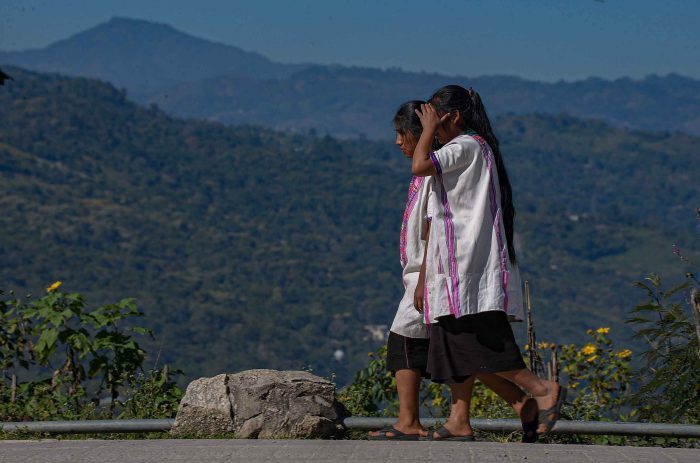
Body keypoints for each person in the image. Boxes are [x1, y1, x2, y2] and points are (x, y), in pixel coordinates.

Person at [369, 101, 539, 442]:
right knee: (456, 346)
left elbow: (435, 225)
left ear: (421, 135)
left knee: (424, 341)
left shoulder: (441, 167)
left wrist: (423, 279)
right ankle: (506, 407)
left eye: (402, 134)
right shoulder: (442, 168)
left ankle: (415, 421)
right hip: (428, 273)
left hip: (434, 274)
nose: (398, 142)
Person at [412, 85, 566, 441]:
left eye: (433, 119)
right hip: (454, 262)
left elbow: (419, 165)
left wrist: (430, 132)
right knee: (453, 343)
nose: (427, 129)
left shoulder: (465, 146)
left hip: (468, 262)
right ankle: (488, 412)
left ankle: (542, 390)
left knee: (477, 339)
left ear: (451, 117)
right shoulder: (470, 148)